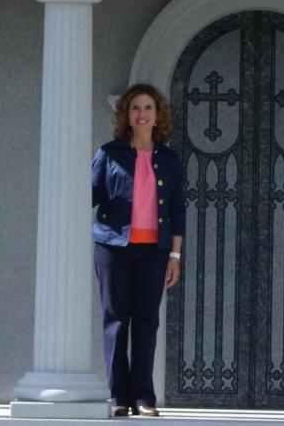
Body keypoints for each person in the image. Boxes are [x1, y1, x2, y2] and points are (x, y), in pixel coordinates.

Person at [91, 83, 185, 417]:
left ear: (158, 115)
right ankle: (118, 396)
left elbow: (177, 213)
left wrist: (175, 256)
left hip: (154, 252)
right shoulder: (108, 153)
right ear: (126, 116)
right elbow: (89, 196)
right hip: (113, 248)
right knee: (115, 320)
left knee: (146, 321)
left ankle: (144, 397)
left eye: (147, 108)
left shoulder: (171, 161)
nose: (141, 114)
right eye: (135, 108)